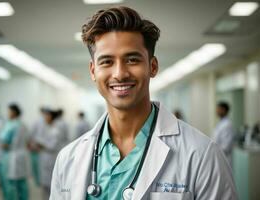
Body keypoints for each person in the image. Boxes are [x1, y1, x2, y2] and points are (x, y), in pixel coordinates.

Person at [50, 6, 238, 200]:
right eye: (107, 61)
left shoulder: (202, 154)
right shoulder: (68, 159)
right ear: (92, 71)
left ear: (153, 66)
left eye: (132, 59)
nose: (120, 74)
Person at [32, 109, 66, 200]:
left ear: (52, 117)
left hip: (51, 158)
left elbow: (52, 146)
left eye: (47, 116)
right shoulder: (47, 128)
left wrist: (40, 143)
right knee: (45, 185)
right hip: (44, 157)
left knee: (52, 184)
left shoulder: (56, 130)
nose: (45, 118)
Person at [0, 104, 29, 200]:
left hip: (12, 157)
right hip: (22, 156)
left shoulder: (11, 125)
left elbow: (4, 144)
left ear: (14, 112)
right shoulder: (23, 125)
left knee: (10, 184)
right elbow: (28, 142)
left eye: (9, 111)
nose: (7, 113)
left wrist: (1, 145)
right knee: (22, 183)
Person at [27, 107, 48, 186]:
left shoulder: (49, 123)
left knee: (41, 166)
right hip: (36, 147)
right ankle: (38, 181)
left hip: (43, 148)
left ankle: (40, 181)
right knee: (36, 166)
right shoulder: (37, 122)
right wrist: (31, 145)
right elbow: (31, 134)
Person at [213, 101, 235, 166]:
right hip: (218, 157)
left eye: (218, 109)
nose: (216, 111)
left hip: (224, 159)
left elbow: (225, 146)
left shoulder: (227, 125)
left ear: (224, 110)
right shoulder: (221, 123)